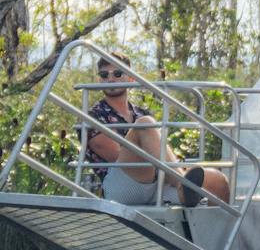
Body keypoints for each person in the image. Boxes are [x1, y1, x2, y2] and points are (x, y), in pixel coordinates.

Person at [84, 55, 231, 207]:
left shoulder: (141, 112)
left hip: (157, 181)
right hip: (121, 187)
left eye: (117, 73)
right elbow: (117, 156)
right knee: (145, 124)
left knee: (217, 180)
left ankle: (187, 191)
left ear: (131, 78)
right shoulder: (93, 116)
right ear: (99, 80)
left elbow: (160, 150)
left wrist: (174, 167)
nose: (110, 79)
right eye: (104, 75)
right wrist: (172, 169)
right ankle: (181, 183)